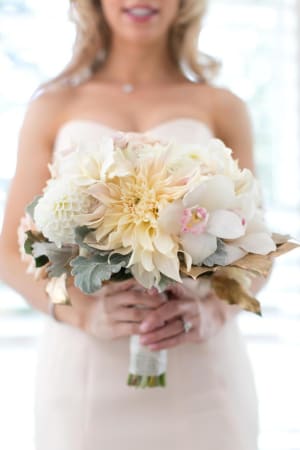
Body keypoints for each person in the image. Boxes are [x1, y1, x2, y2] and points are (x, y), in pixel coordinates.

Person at [0, 1, 262, 449]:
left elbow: (255, 244)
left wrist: (216, 311)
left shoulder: (222, 106)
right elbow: (9, 250)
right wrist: (81, 314)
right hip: (87, 365)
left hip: (200, 361)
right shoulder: (54, 106)